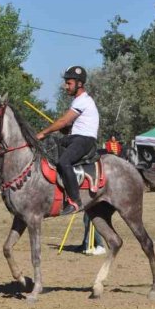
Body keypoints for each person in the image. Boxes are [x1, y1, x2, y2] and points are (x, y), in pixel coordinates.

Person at [36, 66, 99, 216]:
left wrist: (42, 133)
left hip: (85, 140)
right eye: (66, 83)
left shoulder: (83, 101)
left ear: (79, 84)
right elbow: (68, 125)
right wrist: (66, 129)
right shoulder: (78, 101)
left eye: (69, 83)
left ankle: (75, 201)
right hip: (75, 137)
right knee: (49, 149)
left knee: (64, 161)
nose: (66, 86)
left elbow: (63, 121)